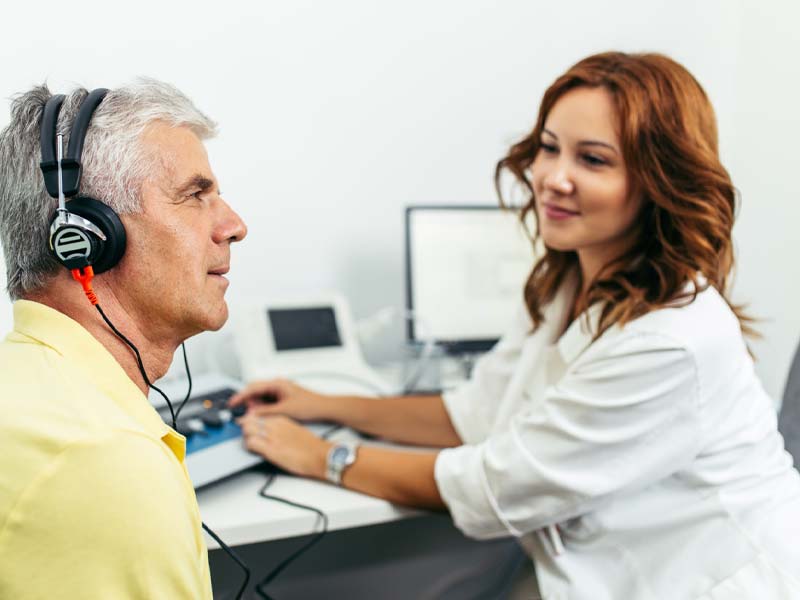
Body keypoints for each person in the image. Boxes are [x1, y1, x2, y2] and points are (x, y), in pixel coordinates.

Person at [230, 52, 800, 599]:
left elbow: (494, 486)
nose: (553, 177)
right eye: (549, 148)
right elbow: (477, 412)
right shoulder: (568, 283)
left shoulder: (673, 339)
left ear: (659, 180)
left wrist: (322, 457)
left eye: (593, 159)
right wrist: (326, 404)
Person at [0, 80, 247, 598]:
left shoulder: (22, 382)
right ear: (87, 236)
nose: (234, 226)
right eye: (195, 196)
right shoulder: (105, 461)